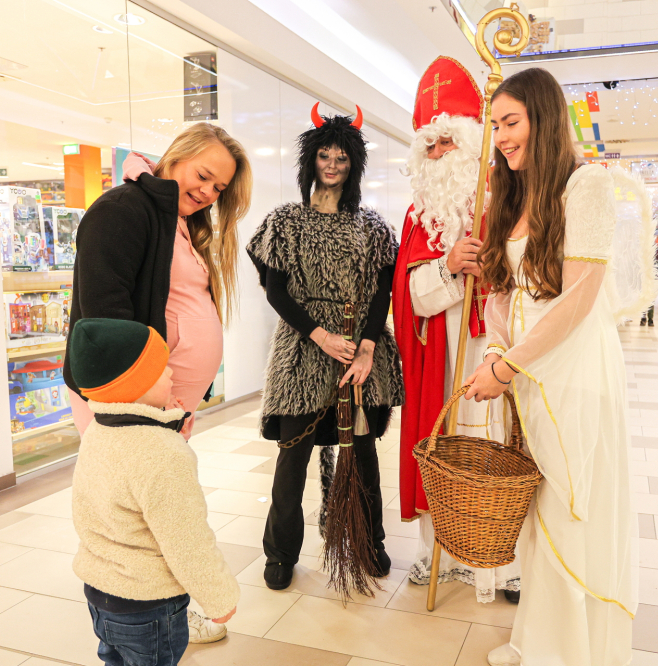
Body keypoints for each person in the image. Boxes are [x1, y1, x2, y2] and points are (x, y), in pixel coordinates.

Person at [463, 68, 638, 666]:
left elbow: (580, 298)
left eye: (511, 122)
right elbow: (501, 292)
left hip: (573, 370)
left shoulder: (585, 184)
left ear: (543, 118)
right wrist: (495, 350)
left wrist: (506, 366)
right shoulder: (511, 194)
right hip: (530, 373)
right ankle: (538, 641)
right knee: (540, 511)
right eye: (495, 126)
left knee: (570, 505)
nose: (502, 137)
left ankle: (571, 653)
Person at [247, 105, 404, 592]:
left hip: (359, 351)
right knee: (292, 457)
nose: (332, 164)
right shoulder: (285, 222)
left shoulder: (373, 227)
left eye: (342, 157)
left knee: (363, 454)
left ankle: (370, 542)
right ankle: (280, 553)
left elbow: (383, 292)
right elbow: (276, 292)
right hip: (301, 352)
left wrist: (367, 348)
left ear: (353, 164)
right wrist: (319, 335)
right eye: (324, 156)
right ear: (310, 160)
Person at [392, 56, 520, 603]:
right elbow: (409, 298)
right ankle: (438, 551)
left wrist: (494, 266)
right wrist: (447, 267)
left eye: (448, 141)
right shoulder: (418, 215)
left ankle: (503, 563)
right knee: (442, 445)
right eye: (430, 145)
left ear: (471, 142)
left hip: (495, 348)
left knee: (496, 444)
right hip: (441, 356)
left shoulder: (509, 199)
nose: (440, 153)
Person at [65, 123, 252, 442]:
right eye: (203, 176)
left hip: (160, 401)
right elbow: (105, 315)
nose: (208, 192)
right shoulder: (122, 208)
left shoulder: (178, 219)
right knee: (127, 475)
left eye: (219, 188)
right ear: (177, 156)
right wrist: (150, 390)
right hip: (133, 399)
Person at [69, 318, 240, 665]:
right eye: (161, 368)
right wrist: (219, 599)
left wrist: (166, 425)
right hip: (149, 607)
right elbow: (187, 541)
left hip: (101, 596)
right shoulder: (164, 455)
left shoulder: (98, 431)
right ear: (136, 383)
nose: (172, 372)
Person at [641, 235, 658, 327]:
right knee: (644, 300)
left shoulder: (656, 259)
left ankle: (650, 319)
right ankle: (644, 318)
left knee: (650, 301)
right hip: (644, 281)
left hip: (651, 282)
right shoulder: (643, 256)